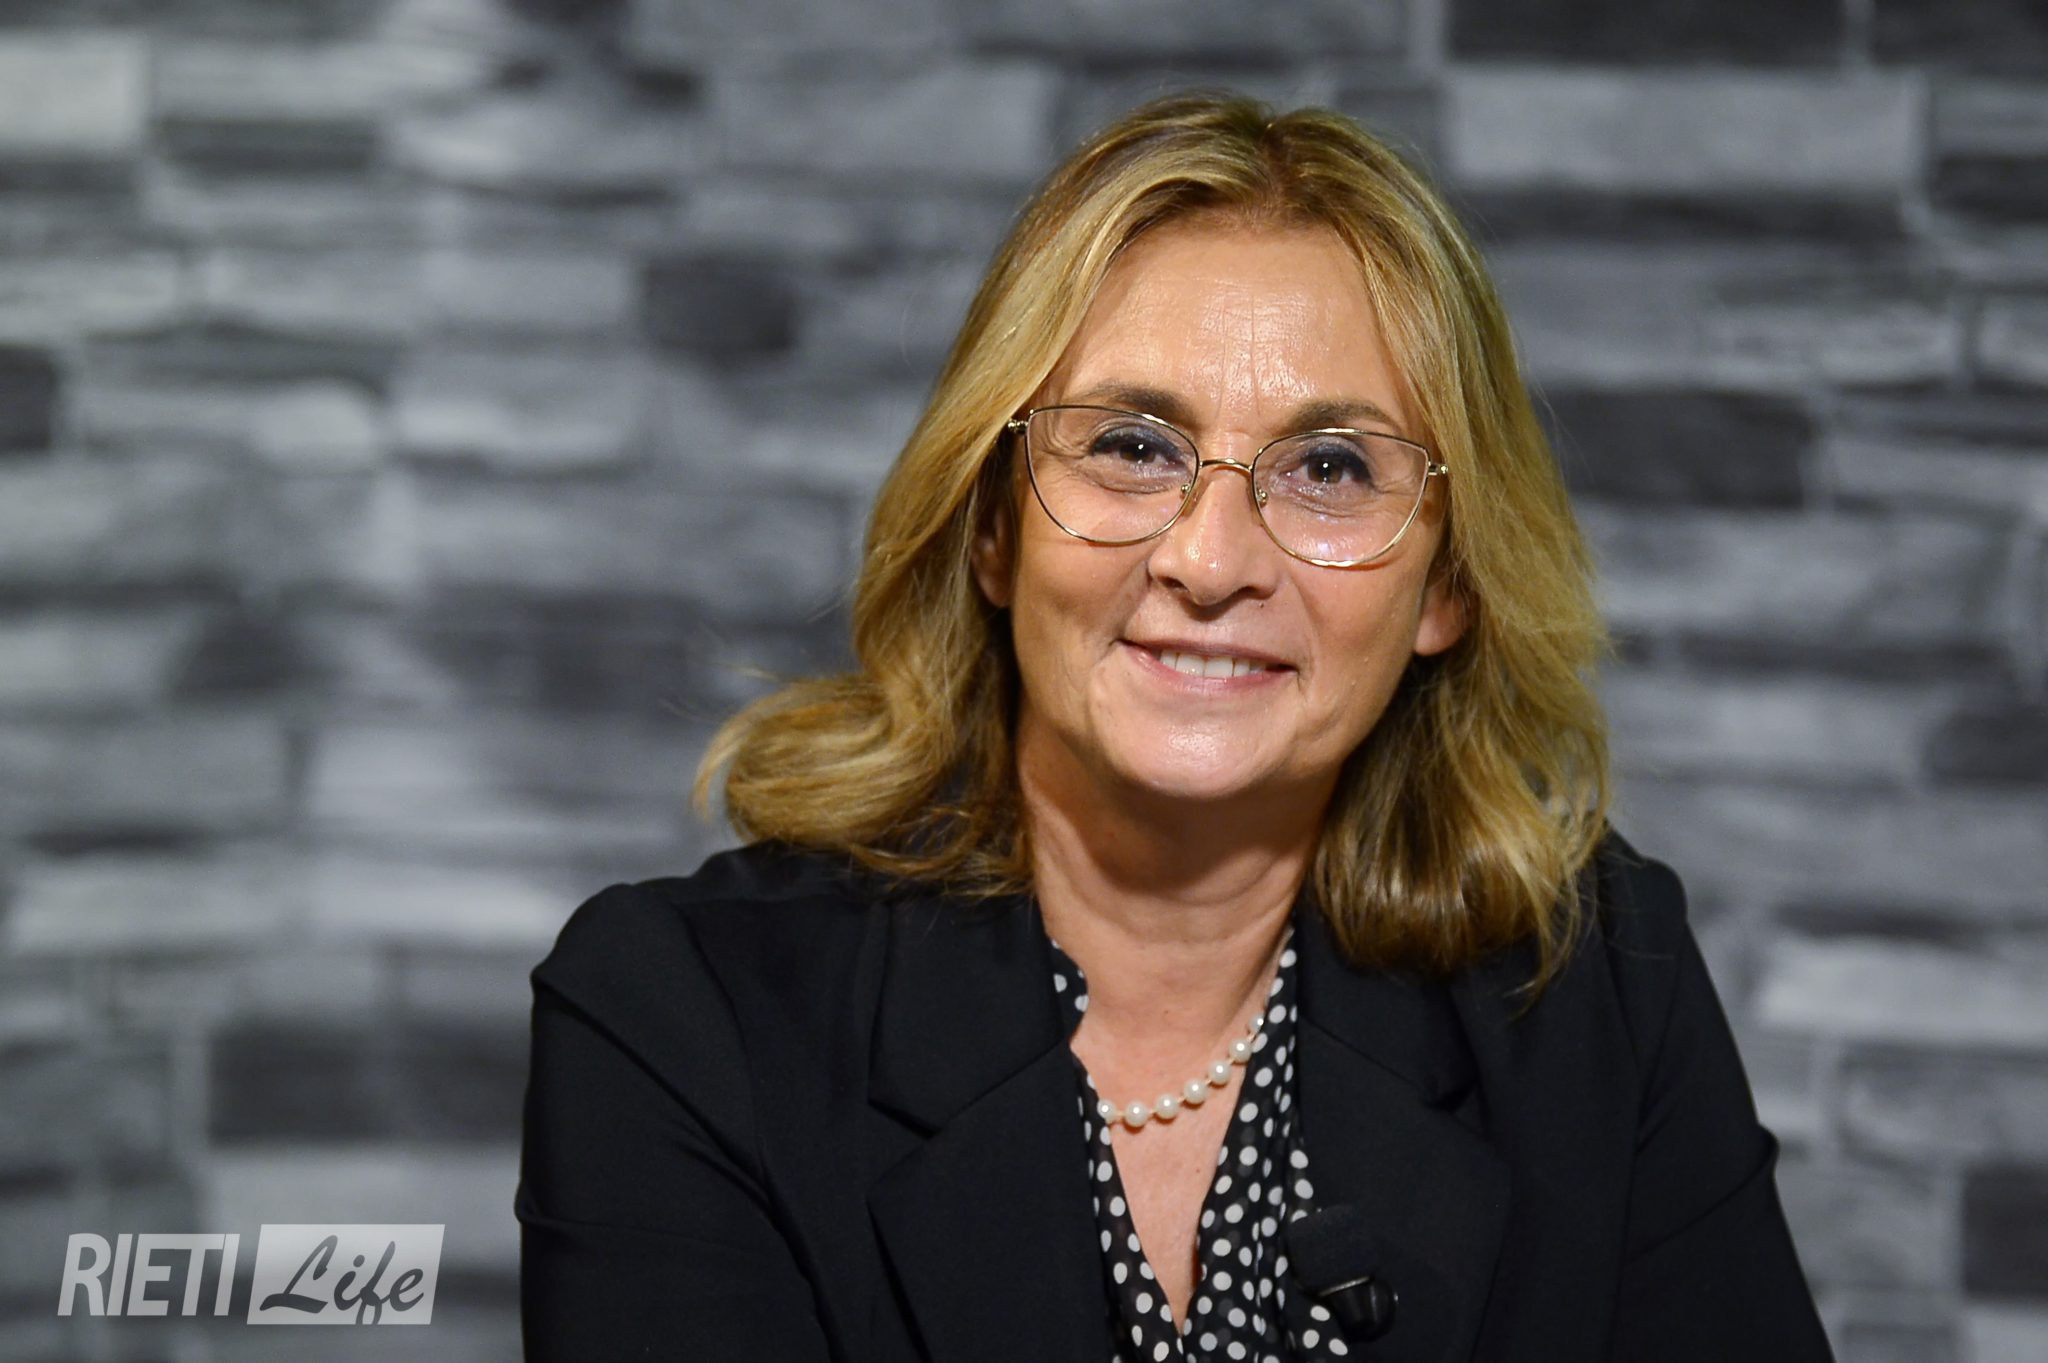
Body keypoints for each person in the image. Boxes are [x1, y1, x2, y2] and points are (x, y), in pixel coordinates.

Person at [516, 92, 1834, 1362]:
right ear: (994, 528)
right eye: (1134, 447)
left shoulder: (1600, 989)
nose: (1210, 562)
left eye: (1331, 467)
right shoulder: (681, 1018)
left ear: (1448, 585)